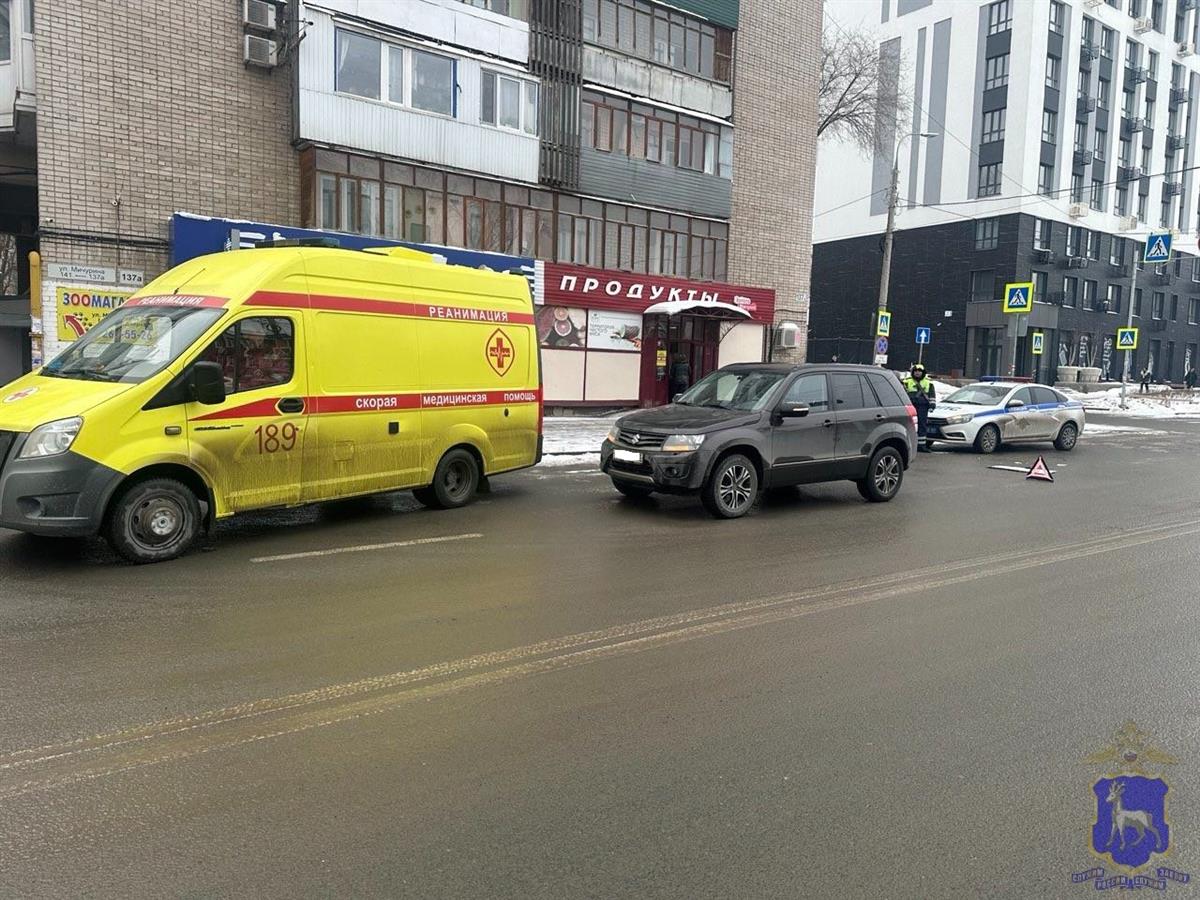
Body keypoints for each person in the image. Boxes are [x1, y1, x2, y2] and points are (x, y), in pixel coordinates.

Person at [903, 364, 936, 451]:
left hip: (923, 407)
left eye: (919, 371)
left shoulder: (928, 382)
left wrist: (932, 404)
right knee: (909, 425)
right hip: (911, 406)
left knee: (922, 425)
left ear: (923, 372)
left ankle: (921, 446)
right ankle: (908, 445)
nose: (917, 373)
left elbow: (932, 394)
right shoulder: (906, 381)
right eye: (916, 371)